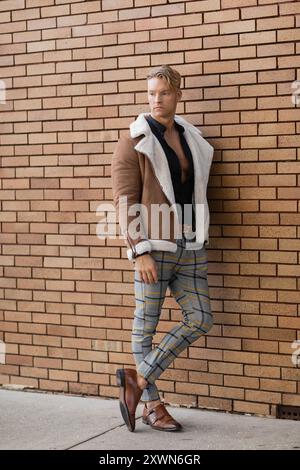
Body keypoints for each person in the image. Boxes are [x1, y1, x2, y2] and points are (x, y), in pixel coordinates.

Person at [111, 65, 214, 432]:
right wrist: (139, 250)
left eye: (164, 93)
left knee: (200, 318)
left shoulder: (189, 138)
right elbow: (125, 200)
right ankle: (153, 405)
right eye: (152, 93)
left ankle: (136, 379)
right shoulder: (134, 140)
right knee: (145, 328)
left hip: (190, 245)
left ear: (177, 95)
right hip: (154, 248)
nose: (157, 100)